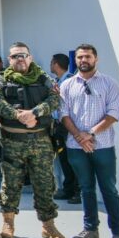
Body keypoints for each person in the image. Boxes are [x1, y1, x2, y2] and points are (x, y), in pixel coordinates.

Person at [0, 42, 66, 238]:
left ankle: (48, 225)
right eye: (15, 56)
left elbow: (55, 100)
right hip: (12, 140)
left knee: (45, 183)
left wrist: (34, 113)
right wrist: (18, 115)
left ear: (30, 57)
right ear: (9, 60)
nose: (19, 59)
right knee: (10, 184)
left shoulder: (44, 79)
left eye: (23, 55)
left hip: (40, 140)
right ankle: (8, 223)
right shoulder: (0, 80)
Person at [60, 44, 119, 238]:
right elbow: (63, 114)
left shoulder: (109, 83)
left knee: (109, 189)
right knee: (86, 188)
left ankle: (118, 233)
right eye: (80, 57)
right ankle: (90, 229)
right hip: (76, 146)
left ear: (96, 59)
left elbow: (113, 114)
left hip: (103, 146)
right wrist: (79, 137)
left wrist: (89, 134)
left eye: (88, 57)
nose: (83, 60)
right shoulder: (67, 85)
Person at [49, 53, 80, 203]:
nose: (50, 65)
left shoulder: (69, 81)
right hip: (58, 126)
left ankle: (76, 191)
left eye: (51, 62)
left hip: (68, 125)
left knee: (72, 159)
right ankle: (68, 189)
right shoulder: (57, 81)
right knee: (63, 159)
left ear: (55, 64)